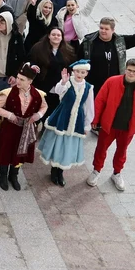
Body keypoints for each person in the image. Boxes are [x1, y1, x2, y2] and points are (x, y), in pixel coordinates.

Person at [88, 58, 135, 192]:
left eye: (134, 71)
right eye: (129, 70)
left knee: (121, 152)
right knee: (101, 149)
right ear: (125, 69)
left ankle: (117, 173)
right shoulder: (112, 82)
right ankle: (96, 171)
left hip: (128, 128)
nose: (131, 73)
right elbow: (99, 101)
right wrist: (95, 120)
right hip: (108, 126)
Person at [0, 63, 47, 191]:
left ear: (30, 81)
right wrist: (9, 115)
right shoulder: (8, 92)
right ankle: (3, 176)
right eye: (18, 77)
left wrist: (38, 115)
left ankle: (13, 176)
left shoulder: (38, 94)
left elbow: (44, 107)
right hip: (9, 128)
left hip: (26, 129)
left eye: (22, 79)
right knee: (6, 151)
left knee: (20, 153)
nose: (18, 81)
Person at [38, 59, 95, 187]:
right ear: (73, 72)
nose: (79, 74)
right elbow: (58, 91)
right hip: (62, 116)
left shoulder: (89, 87)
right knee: (58, 143)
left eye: (83, 72)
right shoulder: (67, 82)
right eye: (77, 71)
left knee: (68, 145)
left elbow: (88, 106)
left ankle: (61, 171)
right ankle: (54, 170)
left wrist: (87, 124)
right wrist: (63, 82)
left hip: (76, 120)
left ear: (86, 73)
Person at [81, 15, 135, 94]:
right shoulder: (89, 42)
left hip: (114, 83)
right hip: (93, 84)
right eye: (101, 28)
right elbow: (78, 58)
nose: (103, 31)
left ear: (113, 30)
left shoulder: (119, 41)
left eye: (106, 29)